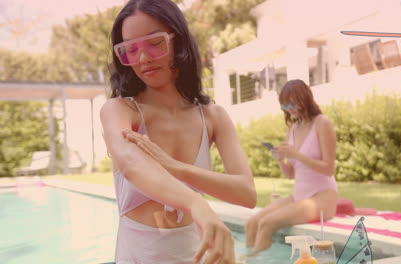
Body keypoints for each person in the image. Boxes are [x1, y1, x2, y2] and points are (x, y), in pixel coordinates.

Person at [100, 0, 256, 263]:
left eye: (154, 42)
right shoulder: (120, 111)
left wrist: (177, 168)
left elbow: (247, 193)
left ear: (178, 41)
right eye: (130, 49)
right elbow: (130, 163)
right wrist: (196, 203)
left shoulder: (213, 116)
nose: (143, 58)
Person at [244, 79, 338, 253]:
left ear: (304, 100)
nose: (289, 110)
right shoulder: (293, 128)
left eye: (291, 104)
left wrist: (297, 155)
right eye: (284, 106)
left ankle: (252, 261)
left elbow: (328, 168)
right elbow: (290, 174)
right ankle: (246, 259)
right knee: (251, 223)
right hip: (299, 196)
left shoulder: (322, 123)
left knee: (266, 223)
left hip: (323, 197)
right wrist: (280, 158)